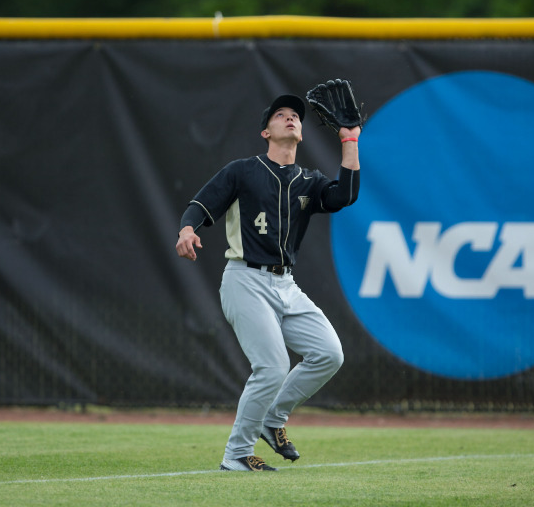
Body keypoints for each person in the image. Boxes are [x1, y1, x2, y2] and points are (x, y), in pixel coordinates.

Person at [176, 93, 361, 472]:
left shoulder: (308, 181)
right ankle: (236, 455)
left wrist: (350, 138)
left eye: (296, 115)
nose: (291, 118)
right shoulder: (242, 171)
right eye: (281, 115)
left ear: (302, 133)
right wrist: (186, 229)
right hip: (245, 280)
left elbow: (345, 195)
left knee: (329, 353)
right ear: (266, 131)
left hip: (286, 286)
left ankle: (272, 418)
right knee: (273, 367)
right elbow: (201, 203)